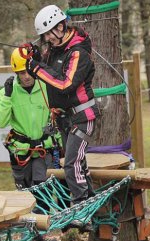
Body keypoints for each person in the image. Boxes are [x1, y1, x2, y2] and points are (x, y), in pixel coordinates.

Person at [26, 5, 99, 228]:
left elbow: (65, 83)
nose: (47, 39)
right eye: (44, 36)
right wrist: (36, 57)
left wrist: (37, 68)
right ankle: (92, 204)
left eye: (50, 33)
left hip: (83, 116)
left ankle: (80, 209)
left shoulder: (78, 52)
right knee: (79, 163)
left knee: (72, 162)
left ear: (61, 26)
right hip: (66, 118)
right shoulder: (54, 49)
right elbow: (49, 72)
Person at [0, 47, 58, 241]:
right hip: (21, 151)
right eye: (20, 73)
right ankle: (27, 237)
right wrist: (7, 98)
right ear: (15, 73)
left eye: (28, 71)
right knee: (25, 193)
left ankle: (39, 234)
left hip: (42, 149)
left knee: (43, 190)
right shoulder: (8, 92)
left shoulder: (46, 87)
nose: (25, 77)